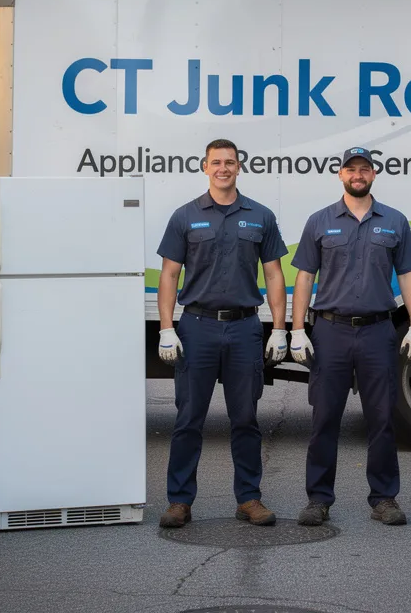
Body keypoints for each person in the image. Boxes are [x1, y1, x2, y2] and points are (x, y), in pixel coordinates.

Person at [155, 139, 289, 529]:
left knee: (245, 418)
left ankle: (248, 498)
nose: (223, 168)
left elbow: (274, 275)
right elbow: (169, 275)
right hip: (196, 328)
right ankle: (179, 501)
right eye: (216, 162)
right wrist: (166, 328)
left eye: (230, 162)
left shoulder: (260, 216)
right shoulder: (184, 216)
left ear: (239, 167)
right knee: (188, 419)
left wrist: (279, 329)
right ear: (205, 167)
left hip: (245, 328)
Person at [288, 147, 411, 527]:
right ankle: (318, 499)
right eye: (351, 169)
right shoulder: (319, 221)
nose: (358, 174)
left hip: (378, 331)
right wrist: (297, 329)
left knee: (382, 418)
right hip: (330, 331)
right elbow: (304, 277)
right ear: (341, 174)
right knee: (324, 418)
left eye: (364, 169)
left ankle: (384, 498)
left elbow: (407, 275)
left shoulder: (394, 221)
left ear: (374, 174)